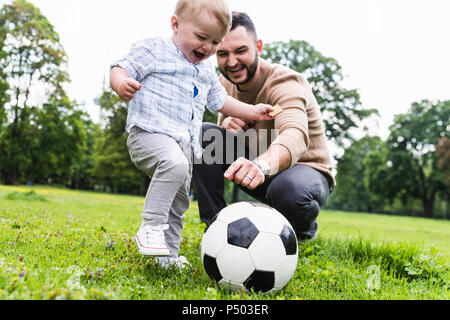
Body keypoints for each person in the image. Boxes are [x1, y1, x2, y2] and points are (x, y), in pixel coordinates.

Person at [109, 1, 275, 268]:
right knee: (173, 165)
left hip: (184, 145)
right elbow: (120, 67)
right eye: (201, 37)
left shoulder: (206, 69)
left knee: (179, 200)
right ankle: (149, 227)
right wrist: (120, 83)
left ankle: (168, 256)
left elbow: (220, 101)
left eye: (214, 43)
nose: (207, 48)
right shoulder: (154, 49)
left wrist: (253, 112)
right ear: (176, 25)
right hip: (149, 135)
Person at [193, 12, 335, 241]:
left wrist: (261, 165)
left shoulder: (285, 82)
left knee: (286, 190)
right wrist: (228, 127)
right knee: (204, 135)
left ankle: (302, 231)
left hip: (306, 171)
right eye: (222, 54)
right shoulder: (223, 84)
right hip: (259, 171)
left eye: (240, 51)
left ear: (258, 47)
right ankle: (216, 227)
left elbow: (295, 134)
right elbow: (219, 145)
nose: (231, 62)